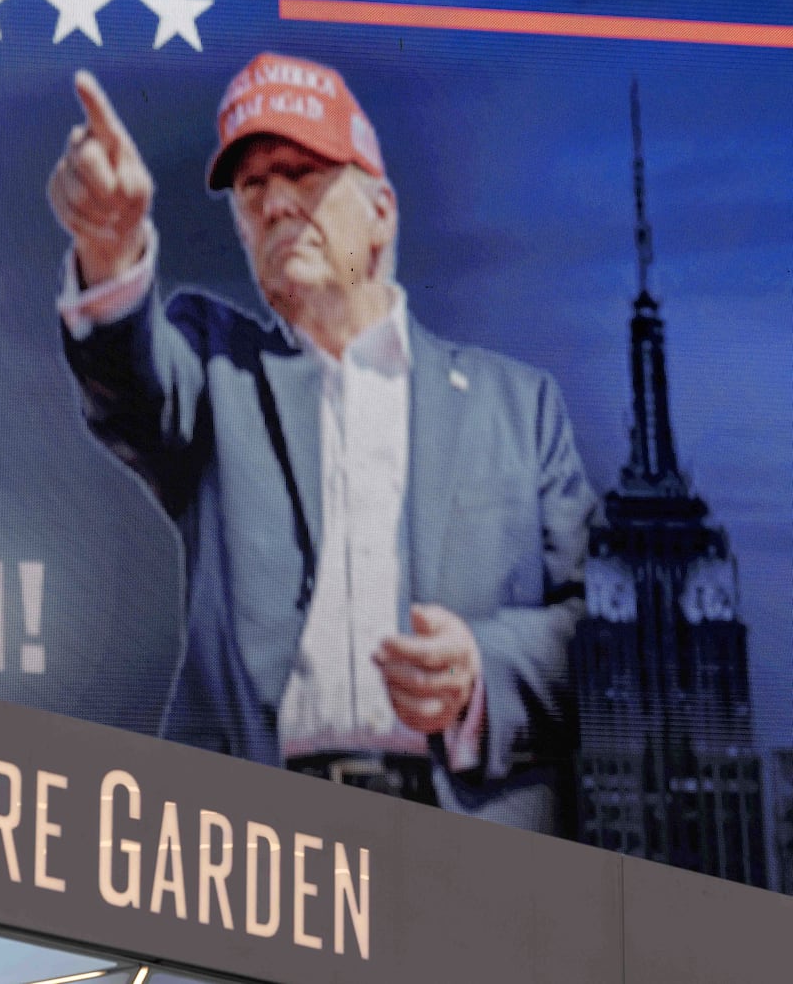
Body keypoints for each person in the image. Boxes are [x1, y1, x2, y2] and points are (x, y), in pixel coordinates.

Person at [48, 52, 595, 834]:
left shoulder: (518, 409)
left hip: (465, 858)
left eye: (302, 173)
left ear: (380, 211)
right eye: (252, 187)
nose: (274, 205)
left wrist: (483, 664)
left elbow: (605, 635)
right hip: (251, 853)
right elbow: (133, 387)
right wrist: (108, 248)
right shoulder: (217, 372)